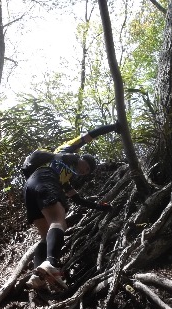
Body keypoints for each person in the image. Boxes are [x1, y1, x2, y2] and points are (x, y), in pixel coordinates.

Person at [24, 122, 121, 289]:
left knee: (45, 235)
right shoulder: (67, 151)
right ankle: (51, 263)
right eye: (86, 167)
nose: (85, 171)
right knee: (59, 221)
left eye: (88, 172)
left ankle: (37, 278)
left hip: (30, 186)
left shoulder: (65, 178)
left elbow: (77, 199)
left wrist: (99, 207)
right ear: (82, 158)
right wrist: (114, 127)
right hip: (44, 178)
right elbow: (90, 135)